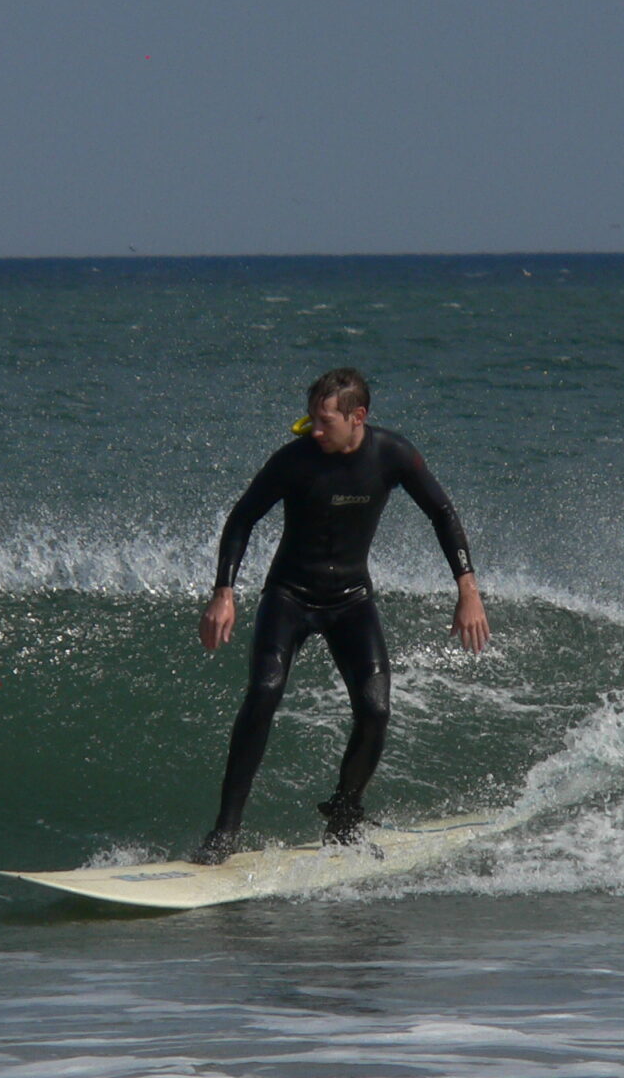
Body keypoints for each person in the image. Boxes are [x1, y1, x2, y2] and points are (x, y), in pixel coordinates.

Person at [194, 368, 488, 864]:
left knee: (375, 710)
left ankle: (345, 816)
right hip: (289, 596)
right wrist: (224, 591)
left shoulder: (392, 454)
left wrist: (468, 589)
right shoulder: (294, 460)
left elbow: (442, 511)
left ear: (358, 417)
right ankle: (225, 832)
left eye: (324, 421)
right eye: (310, 419)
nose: (314, 430)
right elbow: (243, 516)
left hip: (351, 599)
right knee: (263, 693)